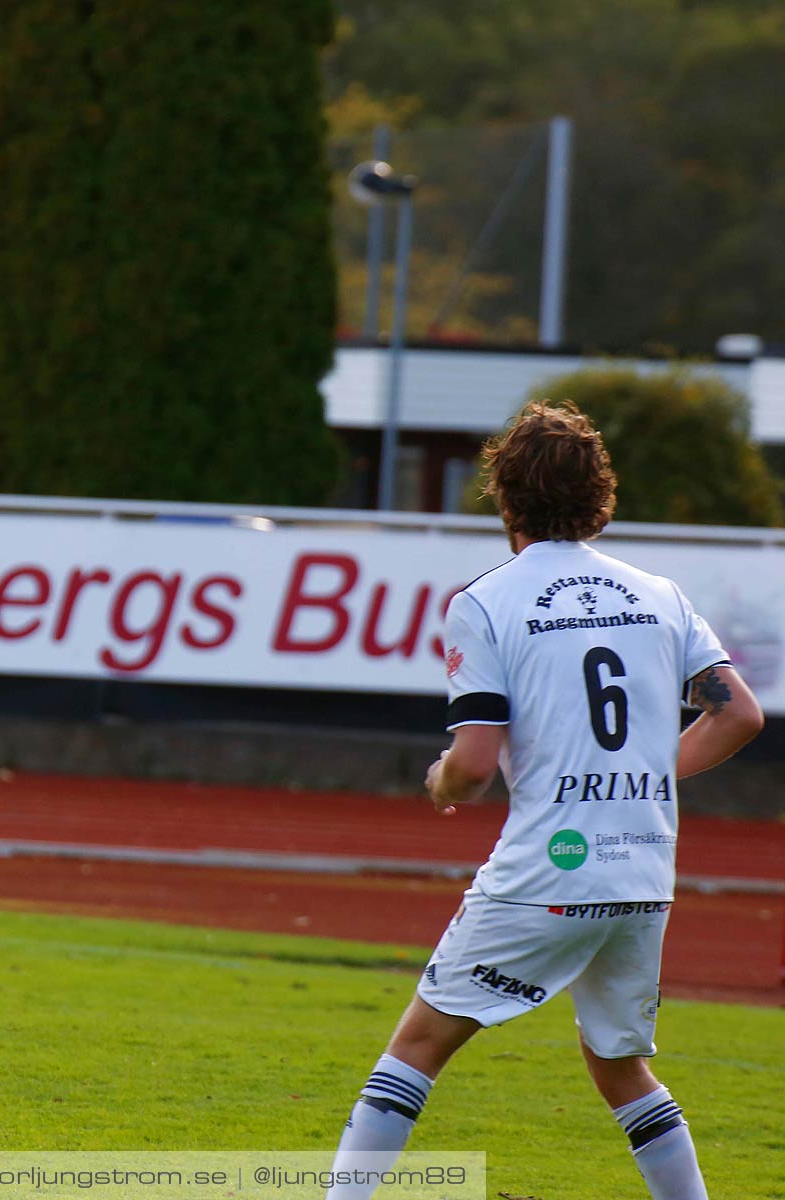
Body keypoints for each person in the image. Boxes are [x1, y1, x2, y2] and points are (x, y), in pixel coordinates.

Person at [324, 402, 763, 1200]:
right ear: (600, 494)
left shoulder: (486, 600)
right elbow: (739, 712)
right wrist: (649, 772)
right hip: (641, 870)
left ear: (505, 495)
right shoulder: (658, 593)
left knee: (418, 1045)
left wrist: (440, 783)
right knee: (620, 1067)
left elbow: (475, 764)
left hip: (549, 869)